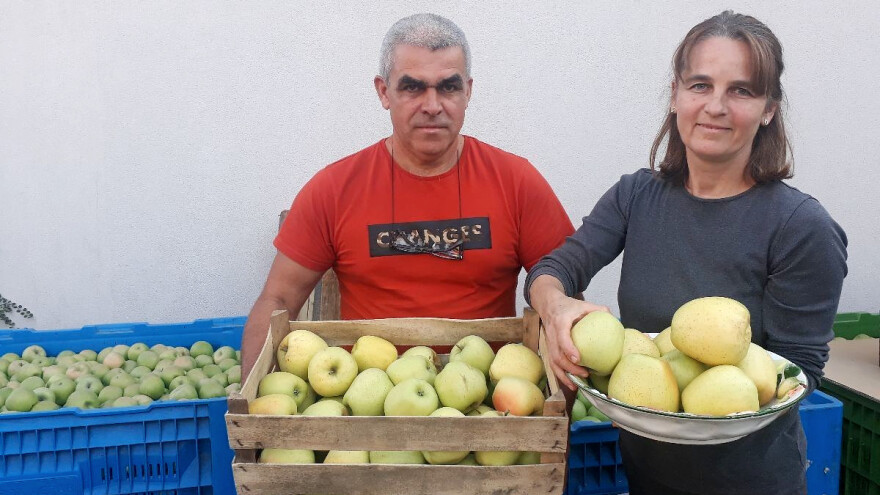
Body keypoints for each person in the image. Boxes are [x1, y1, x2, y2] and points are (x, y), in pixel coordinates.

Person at [526, 11, 847, 495]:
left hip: (750, 483)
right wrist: (553, 307)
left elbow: (798, 369)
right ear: (676, 94)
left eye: (740, 90)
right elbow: (556, 268)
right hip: (646, 471)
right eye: (700, 85)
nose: (715, 106)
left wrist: (700, 410)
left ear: (768, 109)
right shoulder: (635, 196)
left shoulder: (801, 227)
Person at [241, 13, 574, 378]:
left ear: (468, 91)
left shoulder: (516, 182)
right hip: (366, 409)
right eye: (413, 87)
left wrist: (556, 418)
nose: (432, 105)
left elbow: (564, 296)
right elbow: (277, 302)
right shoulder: (334, 190)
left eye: (448, 86)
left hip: (491, 403)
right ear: (384, 92)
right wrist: (253, 409)